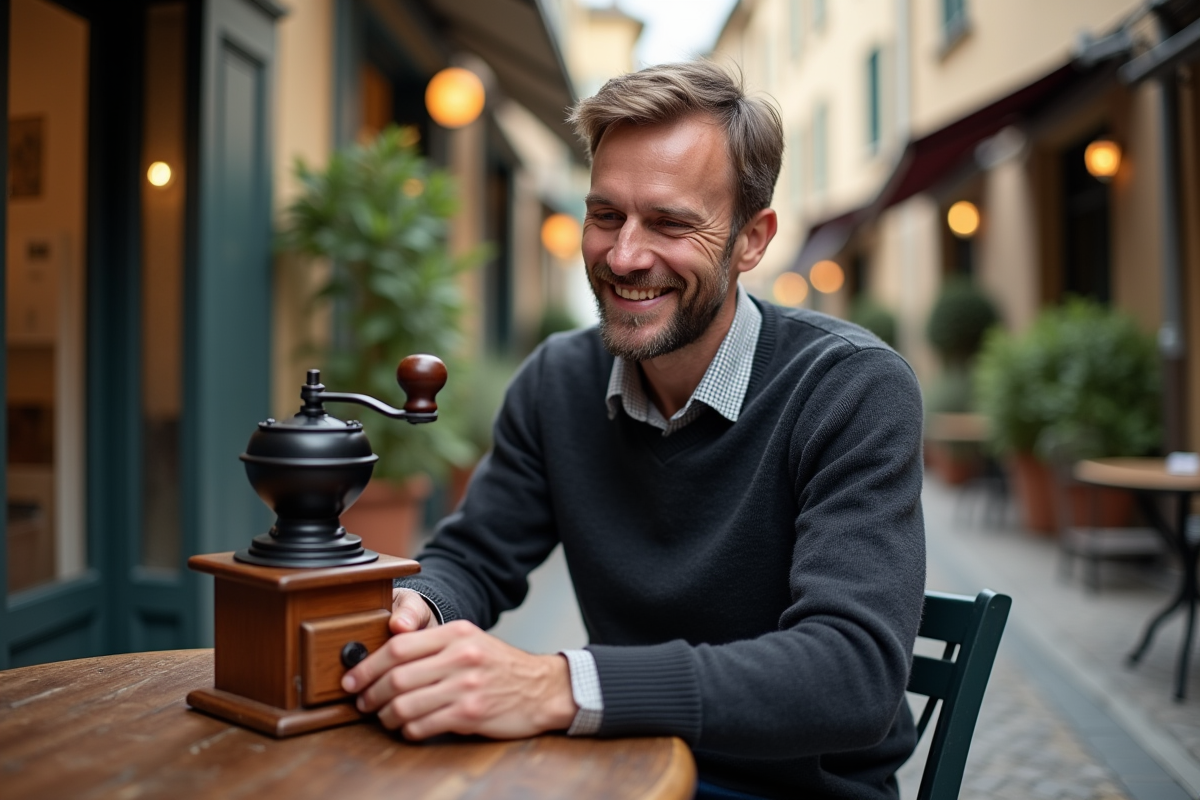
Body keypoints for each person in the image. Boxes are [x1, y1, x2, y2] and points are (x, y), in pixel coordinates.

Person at [341, 60, 926, 800]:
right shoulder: (557, 380)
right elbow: (475, 556)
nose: (623, 257)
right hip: (613, 773)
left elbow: (853, 674)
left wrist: (558, 686)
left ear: (752, 239)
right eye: (606, 215)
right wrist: (419, 608)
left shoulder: (851, 389)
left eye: (671, 222)